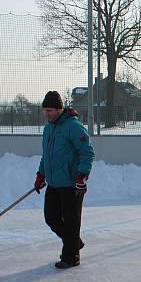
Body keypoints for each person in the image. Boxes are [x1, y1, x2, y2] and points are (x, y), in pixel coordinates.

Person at [35, 91, 95, 269]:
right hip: (54, 183)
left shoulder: (73, 127)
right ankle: (74, 242)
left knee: (71, 221)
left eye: (51, 110)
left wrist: (81, 175)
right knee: (51, 218)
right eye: (45, 110)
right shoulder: (48, 129)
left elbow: (87, 152)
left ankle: (71, 256)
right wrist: (41, 174)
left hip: (71, 183)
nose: (48, 114)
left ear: (60, 109)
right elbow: (47, 156)